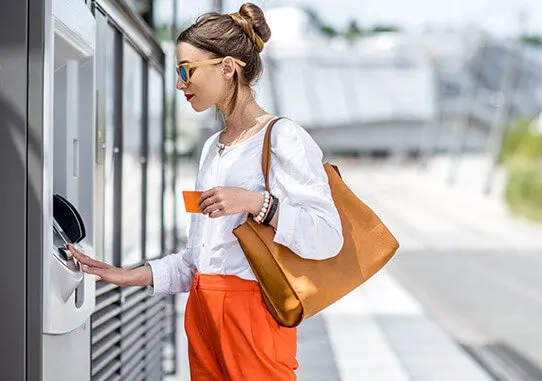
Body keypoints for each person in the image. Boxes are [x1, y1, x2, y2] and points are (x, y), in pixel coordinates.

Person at [69, 4, 344, 380]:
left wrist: (257, 203)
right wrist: (129, 275)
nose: (180, 84)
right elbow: (199, 262)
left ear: (227, 68)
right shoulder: (213, 147)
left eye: (186, 71)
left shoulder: (283, 138)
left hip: (253, 318)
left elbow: (328, 238)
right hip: (201, 309)